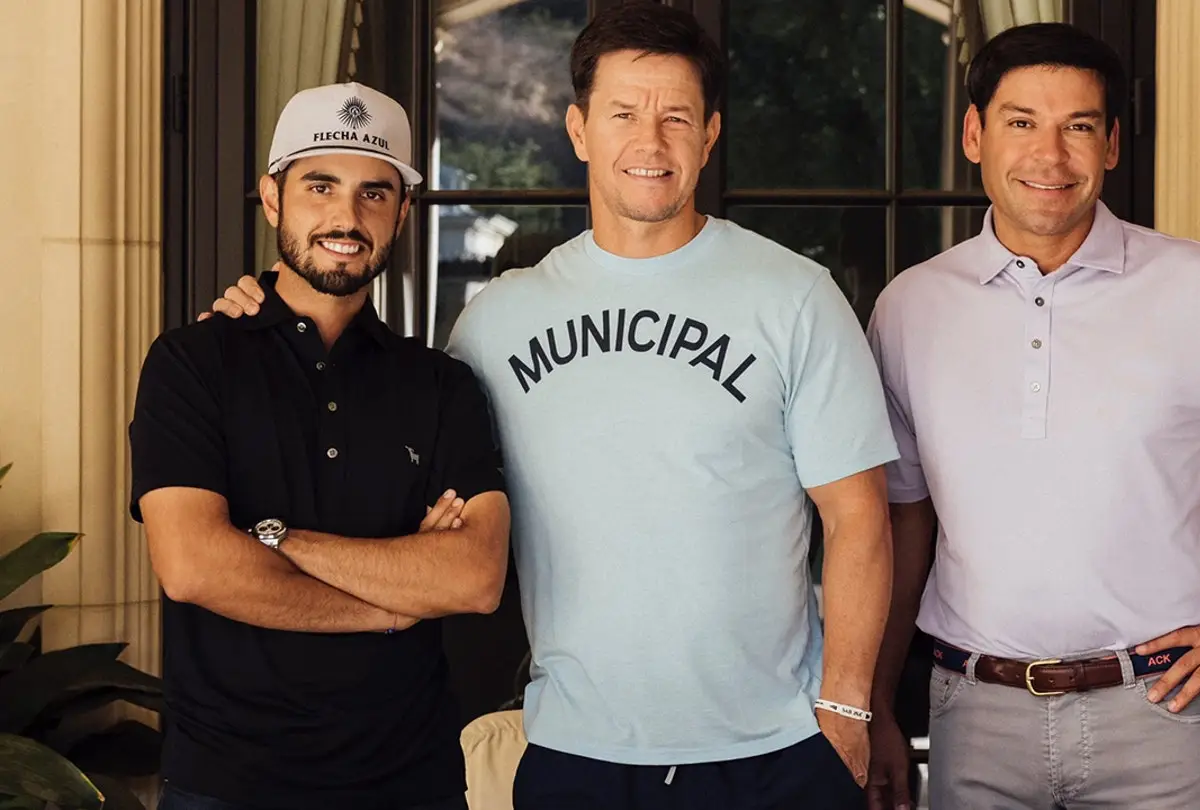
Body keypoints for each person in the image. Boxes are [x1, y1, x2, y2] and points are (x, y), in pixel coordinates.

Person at [205, 4, 898, 809]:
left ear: (710, 135)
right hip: (577, 752)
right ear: (578, 129)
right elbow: (389, 440)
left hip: (776, 751)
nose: (651, 140)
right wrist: (264, 316)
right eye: (624, 113)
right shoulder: (496, 322)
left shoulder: (794, 295)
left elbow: (859, 518)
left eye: (677, 116)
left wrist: (846, 709)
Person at [864, 22, 1200, 810]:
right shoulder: (910, 307)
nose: (1050, 157)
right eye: (1021, 123)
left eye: (1078, 127)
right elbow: (901, 520)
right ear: (975, 134)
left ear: (1112, 144)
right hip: (975, 718)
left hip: (1161, 716)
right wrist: (874, 699)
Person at [130, 82, 511, 810]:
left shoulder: (441, 386)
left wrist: (273, 538)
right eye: (320, 185)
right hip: (227, 785)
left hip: (411, 783)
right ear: (272, 198)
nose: (346, 216)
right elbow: (192, 566)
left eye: (375, 193)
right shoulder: (191, 363)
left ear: (402, 213)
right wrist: (392, 604)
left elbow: (471, 578)